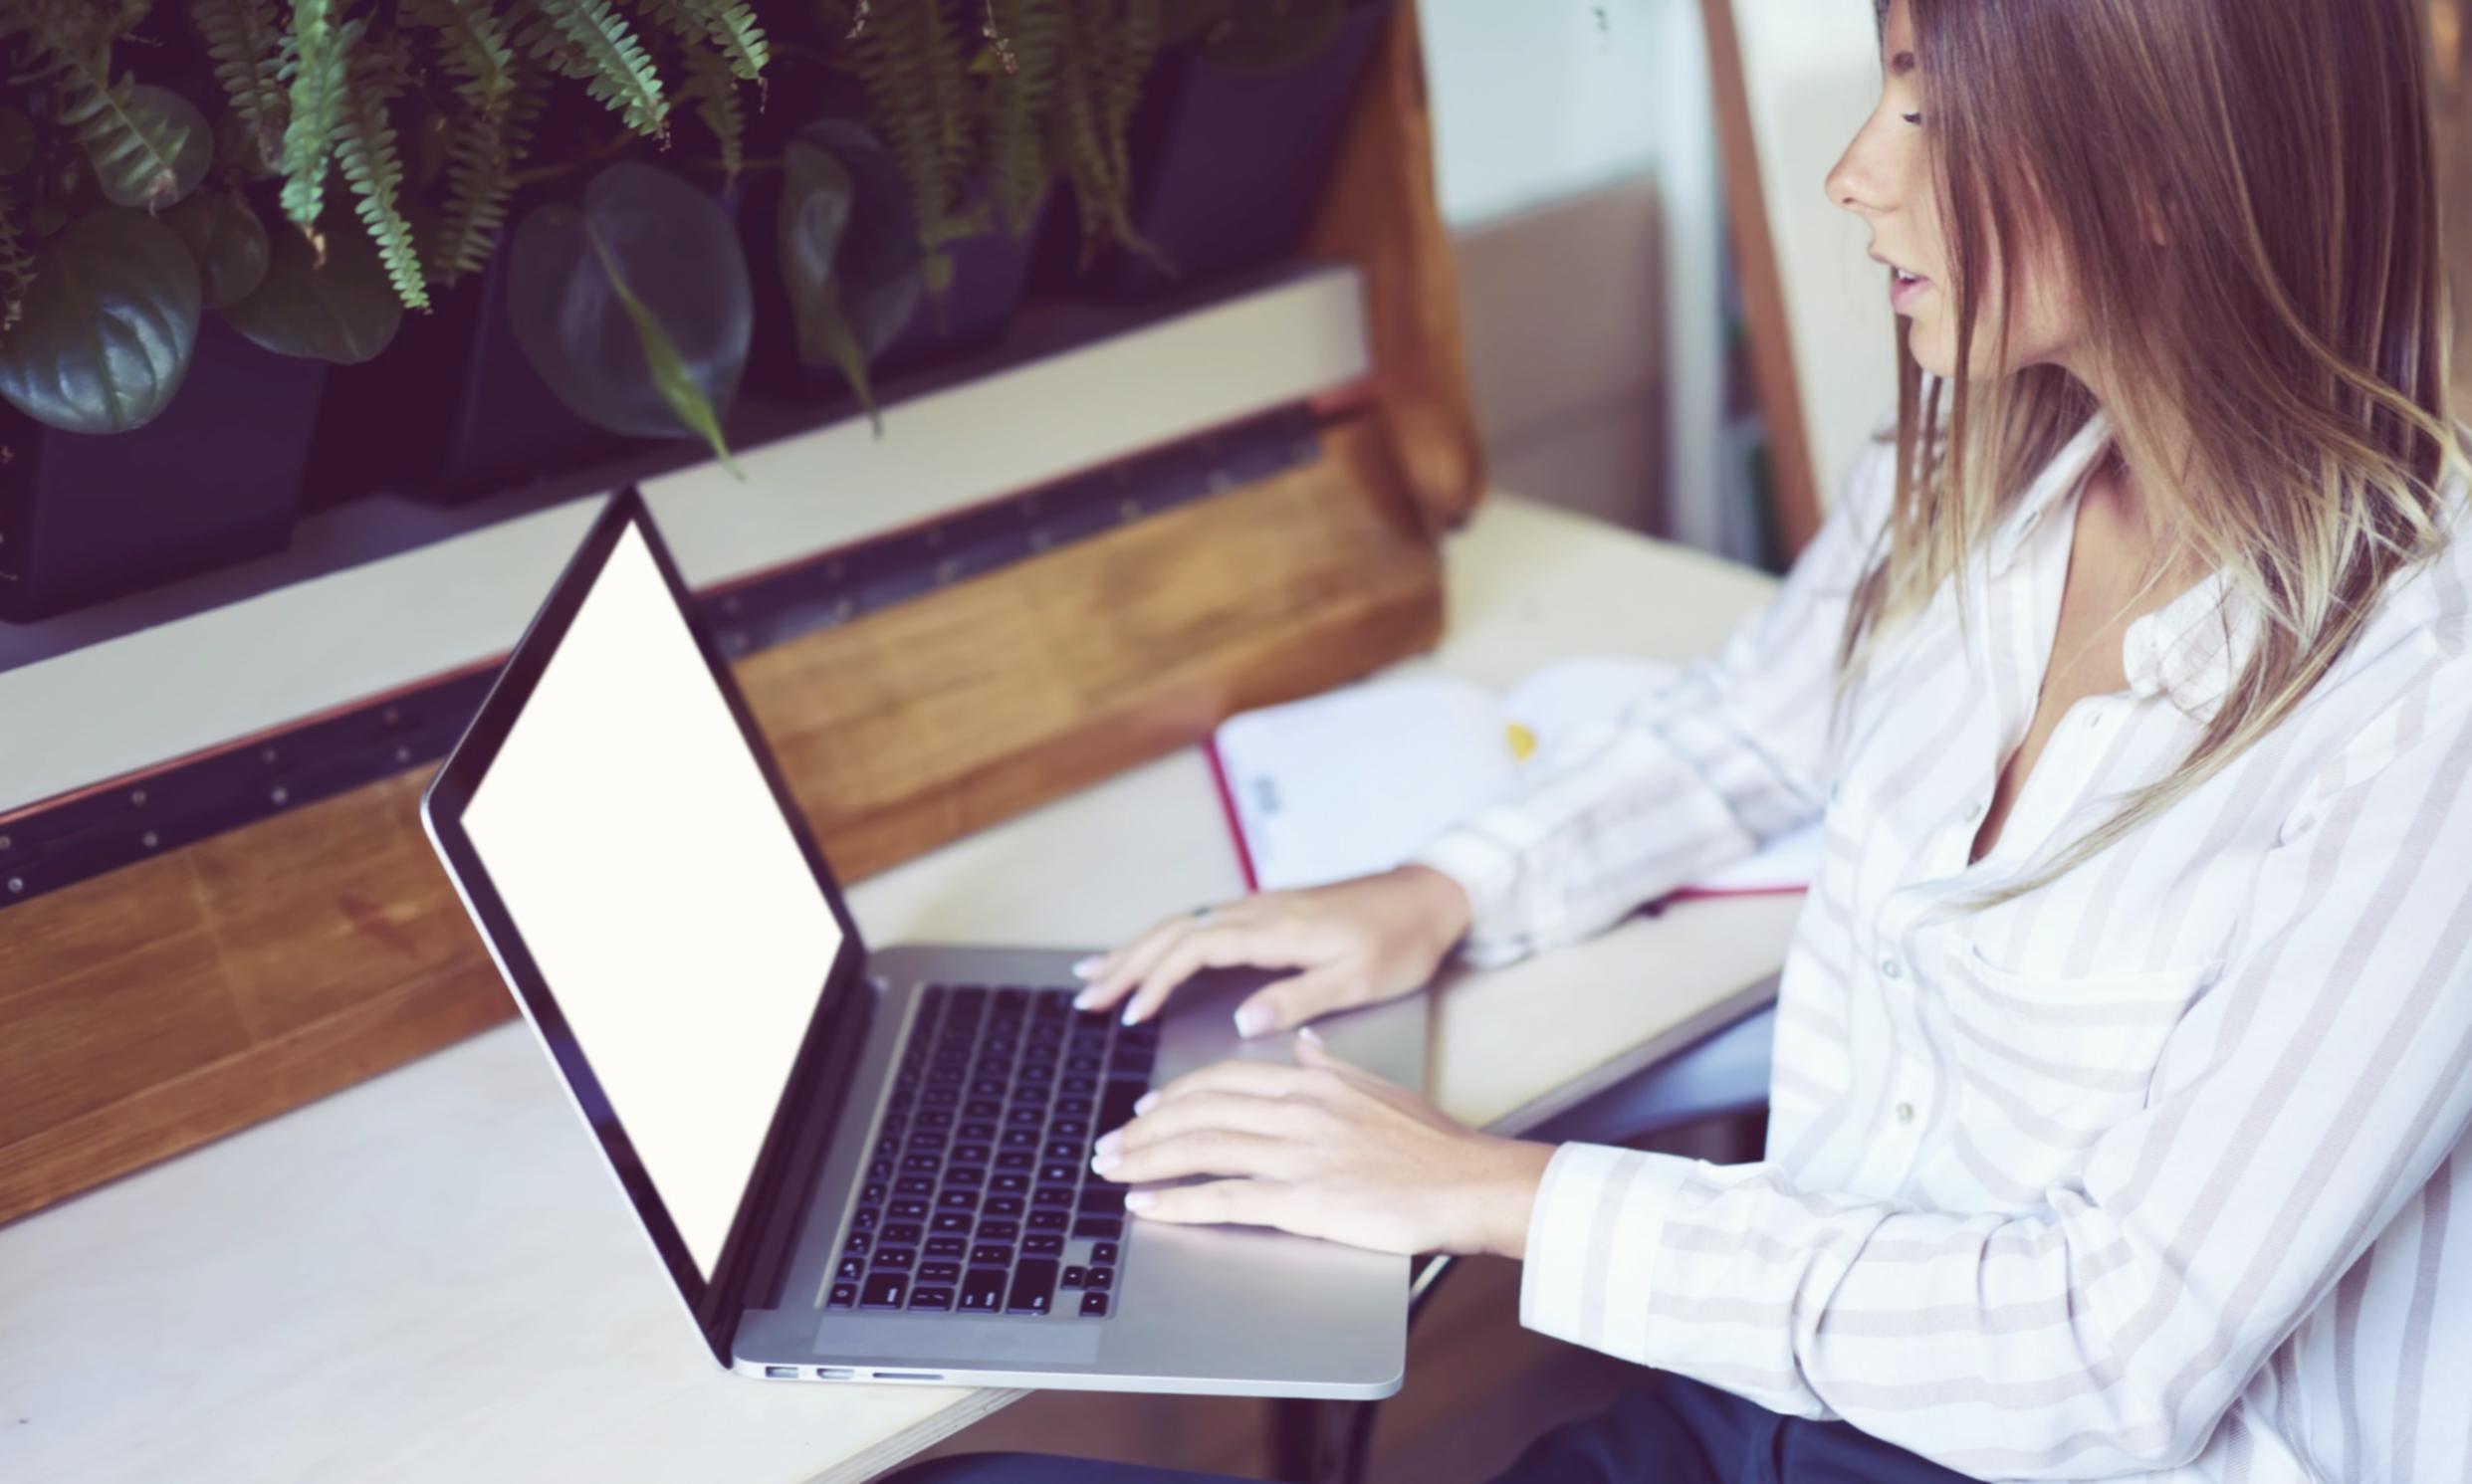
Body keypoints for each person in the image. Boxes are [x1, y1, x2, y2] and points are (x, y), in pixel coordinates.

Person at [892, 0, 2472, 1478]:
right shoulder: (1993, 478)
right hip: (1775, 1398)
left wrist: (1485, 1189)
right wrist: (1444, 888)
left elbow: (2108, 1354)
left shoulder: (2423, 700)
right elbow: (1751, 723)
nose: (1857, 173)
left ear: (2164, 171)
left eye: (1928, 108)